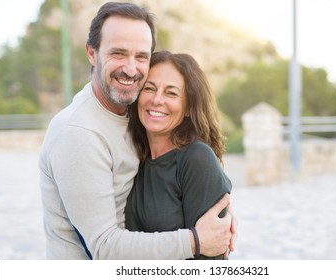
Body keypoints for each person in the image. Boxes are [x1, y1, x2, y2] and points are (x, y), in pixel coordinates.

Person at [39, 2, 233, 260]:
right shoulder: (79, 132)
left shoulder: (132, 115)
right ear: (91, 53)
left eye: (141, 56)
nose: (131, 69)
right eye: (118, 53)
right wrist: (196, 240)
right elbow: (106, 248)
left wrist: (216, 216)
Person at [125, 51, 232, 260]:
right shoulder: (133, 154)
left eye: (171, 93)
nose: (157, 100)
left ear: (188, 108)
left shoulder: (197, 159)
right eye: (149, 88)